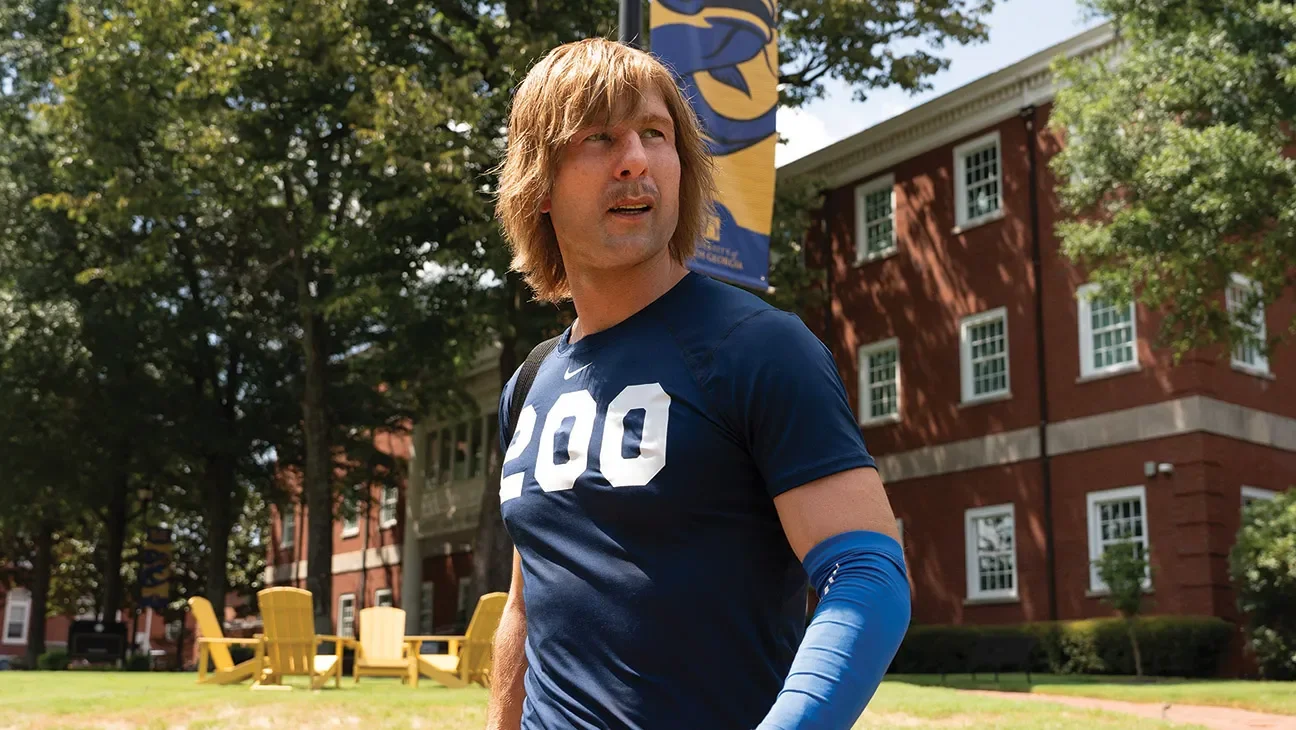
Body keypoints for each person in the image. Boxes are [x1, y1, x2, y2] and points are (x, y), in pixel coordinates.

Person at [486, 37, 911, 730]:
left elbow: (867, 575)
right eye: (599, 137)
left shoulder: (760, 348)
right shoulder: (530, 384)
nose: (635, 159)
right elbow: (526, 606)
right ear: (538, 183)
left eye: (655, 134)